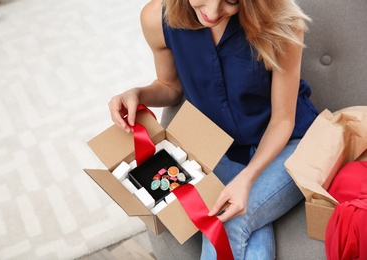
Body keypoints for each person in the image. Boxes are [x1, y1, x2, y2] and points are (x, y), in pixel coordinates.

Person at [108, 0, 318, 259]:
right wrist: (139, 93)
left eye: (230, 1)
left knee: (228, 222)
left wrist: (248, 178)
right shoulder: (156, 19)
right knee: (233, 220)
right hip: (220, 149)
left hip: (289, 146)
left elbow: (283, 121)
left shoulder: (283, 22)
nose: (212, 12)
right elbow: (170, 87)